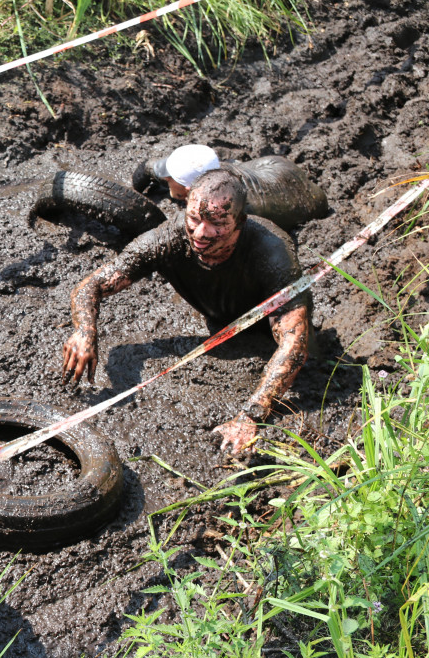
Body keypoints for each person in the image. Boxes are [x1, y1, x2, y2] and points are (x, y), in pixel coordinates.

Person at [61, 169, 311, 453]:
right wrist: (85, 332)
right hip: (220, 322)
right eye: (194, 218)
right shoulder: (167, 238)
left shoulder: (272, 253)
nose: (201, 234)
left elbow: (296, 345)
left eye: (217, 223)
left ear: (240, 222)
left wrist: (251, 416)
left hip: (268, 339)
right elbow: (92, 284)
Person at [132, 144, 328, 231]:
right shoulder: (215, 171)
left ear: (189, 187)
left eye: (169, 178)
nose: (165, 177)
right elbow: (147, 168)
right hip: (278, 168)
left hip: (306, 199)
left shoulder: (227, 212)